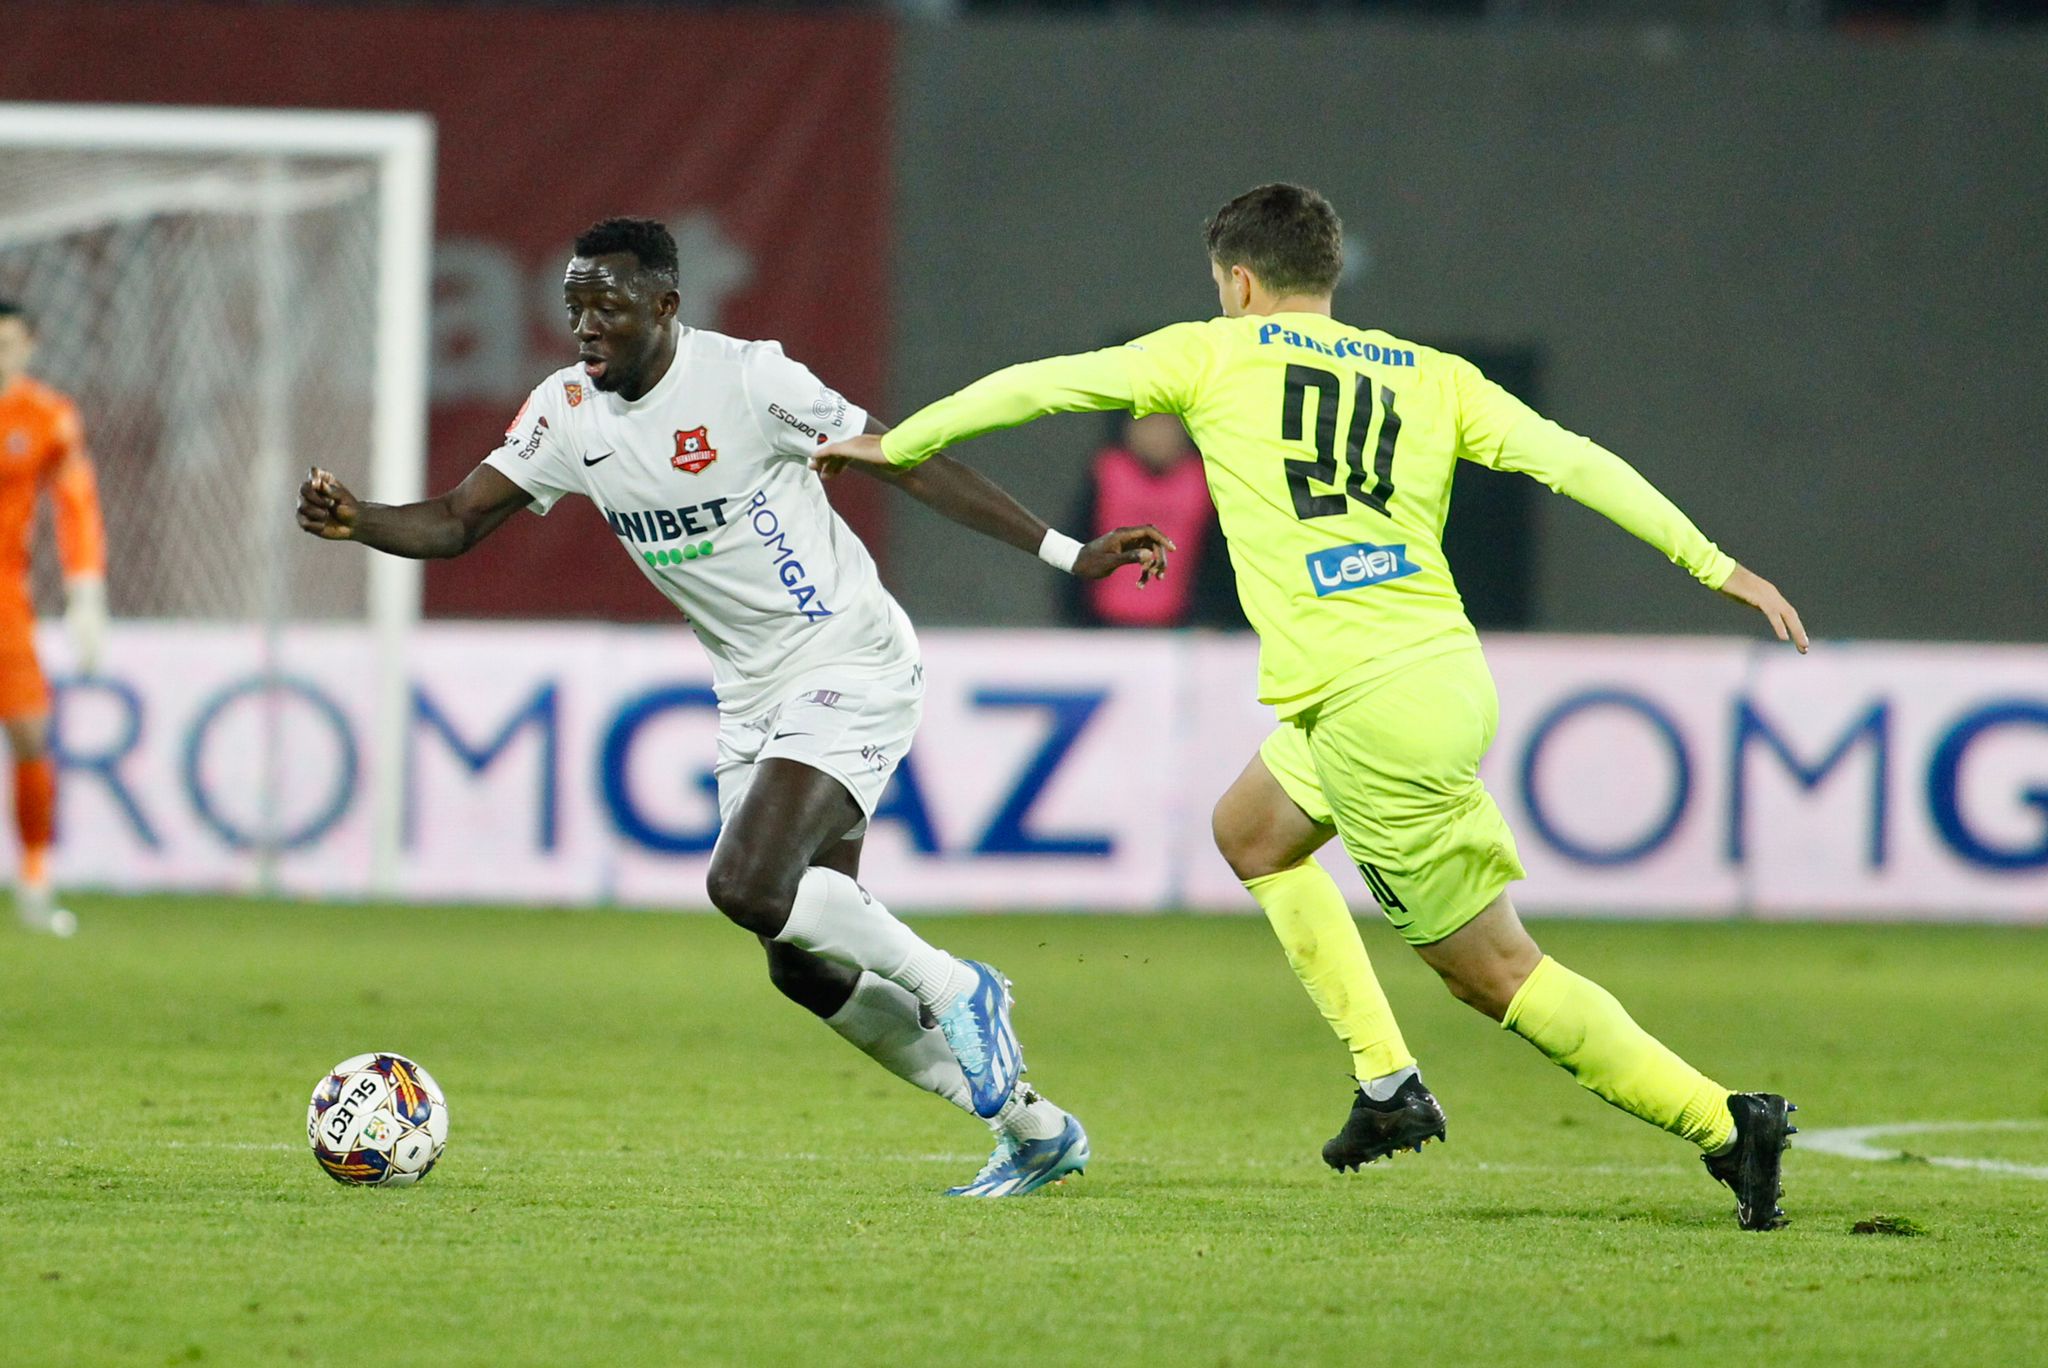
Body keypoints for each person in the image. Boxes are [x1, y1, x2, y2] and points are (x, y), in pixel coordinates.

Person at [815, 184, 1809, 1231]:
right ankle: (1385, 1084)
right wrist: (1713, 565)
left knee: (1491, 972)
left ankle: (1724, 1123)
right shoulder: (1434, 377)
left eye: (1219, 287)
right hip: (1421, 674)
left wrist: (902, 445)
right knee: (1249, 832)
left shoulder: (1211, 353)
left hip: (1372, 708)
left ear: (1237, 282)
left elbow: (1043, 386)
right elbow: (1573, 462)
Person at [296, 217, 1170, 1198]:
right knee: (798, 962)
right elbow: (458, 521)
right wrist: (359, 519)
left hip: (848, 654)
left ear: (666, 307)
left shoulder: (752, 381)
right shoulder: (565, 411)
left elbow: (910, 458)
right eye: (574, 304)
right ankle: (1033, 1129)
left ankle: (955, 987)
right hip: (750, 690)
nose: (586, 323)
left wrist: (1065, 550)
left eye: (610, 305)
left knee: (746, 885)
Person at [0, 299, 107, 938]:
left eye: (10, 342)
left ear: (31, 344)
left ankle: (36, 880)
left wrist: (86, 591)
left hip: (7, 598)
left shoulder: (49, 417)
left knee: (33, 735)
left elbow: (76, 505)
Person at [1064, 410, 1238, 628]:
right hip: (1103, 626)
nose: (1157, 436)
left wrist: (1215, 617)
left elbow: (1220, 560)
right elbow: (1077, 546)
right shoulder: (1107, 473)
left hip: (1181, 627)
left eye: (1167, 427)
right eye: (1148, 425)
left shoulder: (1203, 480)